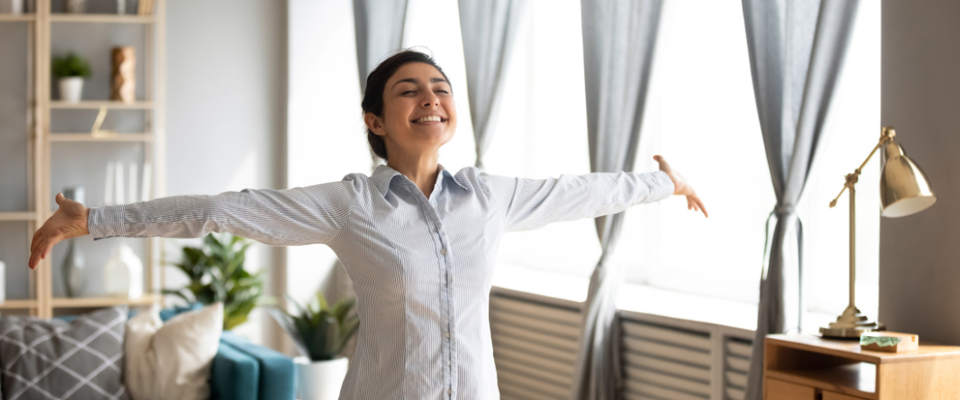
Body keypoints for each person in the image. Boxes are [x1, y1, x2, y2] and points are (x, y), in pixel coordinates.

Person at [29, 50, 707, 399]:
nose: (431, 98)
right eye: (409, 90)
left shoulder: (488, 198)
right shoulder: (351, 204)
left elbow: (577, 192)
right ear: (376, 121)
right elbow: (219, 210)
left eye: (440, 88)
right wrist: (95, 220)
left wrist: (662, 184)